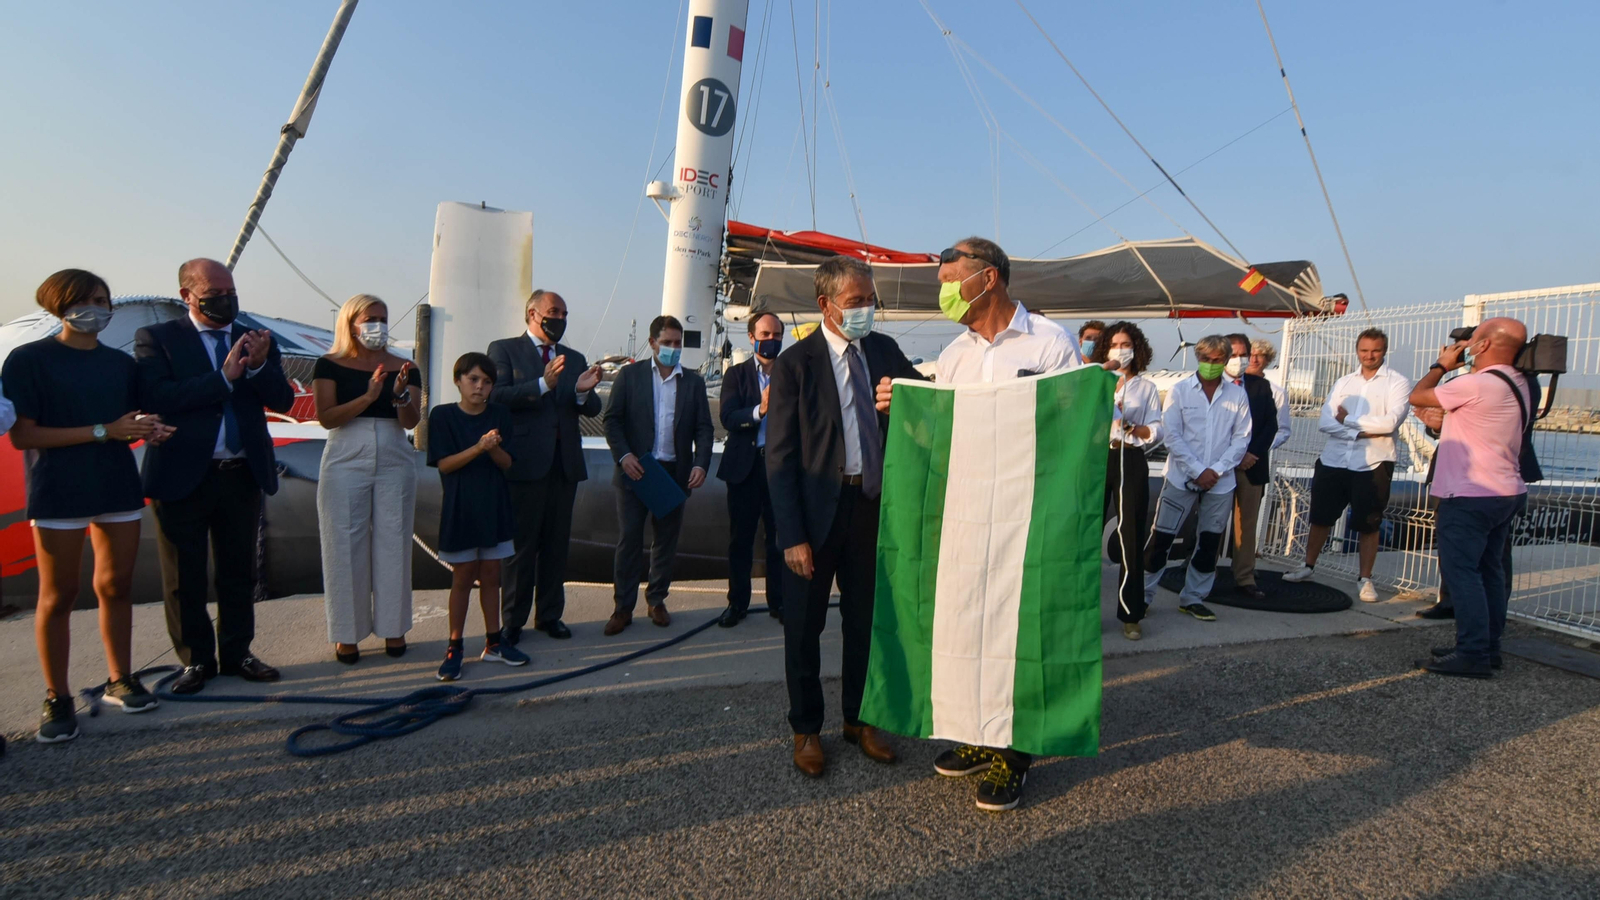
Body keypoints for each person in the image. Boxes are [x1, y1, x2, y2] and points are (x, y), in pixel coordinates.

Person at [895, 236, 1083, 811]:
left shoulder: (1050, 342)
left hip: (1028, 515)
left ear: (989, 278)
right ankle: (981, 733)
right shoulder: (954, 355)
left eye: (952, 281)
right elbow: (941, 437)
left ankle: (1016, 752)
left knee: (1020, 632)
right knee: (972, 628)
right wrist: (903, 408)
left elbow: (1072, 428)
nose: (946, 293)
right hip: (969, 516)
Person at [767, 255, 924, 779]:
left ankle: (859, 719)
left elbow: (928, 406)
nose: (866, 311)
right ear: (825, 305)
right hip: (815, 517)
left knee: (866, 622)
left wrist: (902, 401)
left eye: (869, 300)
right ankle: (806, 728)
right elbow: (781, 458)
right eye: (856, 302)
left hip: (871, 509)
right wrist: (792, 536)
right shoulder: (795, 364)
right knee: (804, 628)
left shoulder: (884, 351)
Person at [6, 270, 175, 743]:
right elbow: (23, 435)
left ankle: (120, 677)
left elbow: (128, 421)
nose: (98, 309)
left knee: (115, 585)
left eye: (103, 300)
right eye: (86, 301)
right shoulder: (29, 359)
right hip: (59, 488)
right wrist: (105, 431)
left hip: (115, 485)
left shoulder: (120, 365)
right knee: (57, 595)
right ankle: (57, 696)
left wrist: (147, 428)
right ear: (59, 305)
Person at [137, 258, 295, 695]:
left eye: (230, 291)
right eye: (214, 294)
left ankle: (238, 653)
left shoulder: (255, 339)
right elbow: (157, 395)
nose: (226, 300)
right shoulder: (158, 339)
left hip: (239, 473)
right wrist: (223, 379)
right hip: (182, 474)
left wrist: (261, 367)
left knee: (238, 571)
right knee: (183, 576)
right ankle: (196, 661)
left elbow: (283, 399)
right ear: (187, 295)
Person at [1408, 318, 1531, 677]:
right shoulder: (1519, 383)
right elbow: (1479, 424)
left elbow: (1418, 395)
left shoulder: (1477, 384)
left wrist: (1442, 365)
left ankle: (1472, 652)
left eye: (1472, 341)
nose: (1466, 346)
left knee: (1462, 573)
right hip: (1505, 491)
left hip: (1469, 493)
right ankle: (1487, 646)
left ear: (1484, 345)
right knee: (1490, 570)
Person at [487, 290, 603, 644]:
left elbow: (591, 407)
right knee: (521, 547)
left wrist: (582, 392)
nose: (560, 319)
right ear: (533, 314)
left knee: (556, 544)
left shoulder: (574, 356)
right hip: (523, 464)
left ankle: (550, 615)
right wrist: (542, 384)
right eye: (554, 311)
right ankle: (513, 621)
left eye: (565, 313)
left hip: (563, 464)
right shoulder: (504, 350)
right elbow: (496, 396)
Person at [312, 294, 421, 664]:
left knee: (395, 540)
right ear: (351, 322)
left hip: (394, 451)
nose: (379, 325)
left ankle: (394, 627)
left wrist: (399, 394)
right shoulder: (329, 364)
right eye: (370, 318)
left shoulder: (405, 366)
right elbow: (326, 417)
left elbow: (411, 421)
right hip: (346, 451)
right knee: (343, 542)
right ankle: (347, 633)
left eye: (383, 317)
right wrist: (369, 395)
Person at [1281, 328, 1412, 602]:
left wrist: (1349, 420)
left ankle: (1365, 579)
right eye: (1364, 350)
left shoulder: (1397, 383)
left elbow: (1390, 423)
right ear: (1357, 350)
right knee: (1320, 516)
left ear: (1384, 350)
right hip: (1334, 459)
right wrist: (1361, 431)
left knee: (1368, 522)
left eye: (1375, 350)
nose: (1369, 356)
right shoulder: (1343, 382)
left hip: (1373, 463)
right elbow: (1325, 422)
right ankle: (1308, 566)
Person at [602, 315, 714, 636]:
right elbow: (612, 421)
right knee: (629, 541)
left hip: (674, 473)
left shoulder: (693, 382)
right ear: (652, 343)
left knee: (665, 542)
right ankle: (623, 607)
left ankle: (657, 600)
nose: (674, 349)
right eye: (667, 343)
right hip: (636, 471)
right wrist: (623, 456)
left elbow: (704, 428)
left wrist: (700, 463)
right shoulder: (630, 376)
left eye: (678, 343)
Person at [427, 352, 531, 681]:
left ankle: (494, 643)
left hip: (495, 506)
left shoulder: (499, 413)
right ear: (458, 380)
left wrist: (493, 447)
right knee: (462, 577)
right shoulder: (442, 416)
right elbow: (444, 464)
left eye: (486, 382)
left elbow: (507, 463)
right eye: (473, 379)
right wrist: (478, 447)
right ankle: (454, 646)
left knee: (491, 575)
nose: (479, 387)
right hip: (460, 507)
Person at [1143, 334, 1252, 622]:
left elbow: (1241, 439)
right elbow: (1172, 436)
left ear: (1226, 360)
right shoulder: (1180, 391)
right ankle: (1141, 596)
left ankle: (1193, 598)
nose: (1211, 365)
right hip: (1180, 479)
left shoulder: (1238, 395)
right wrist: (1197, 470)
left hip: (1221, 482)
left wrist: (1215, 470)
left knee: (1208, 543)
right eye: (1206, 359)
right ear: (1198, 359)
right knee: (1161, 540)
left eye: (1217, 360)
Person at [1089, 322, 1162, 642]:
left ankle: (1131, 613)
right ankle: (1084, 611)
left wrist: (1134, 428)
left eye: (1126, 344)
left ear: (1137, 348)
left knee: (1130, 537)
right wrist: (1103, 379)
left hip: (1129, 459)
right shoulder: (1094, 381)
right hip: (1096, 460)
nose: (1121, 349)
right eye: (1115, 344)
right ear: (1106, 349)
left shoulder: (1146, 388)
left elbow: (1157, 429)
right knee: (1087, 534)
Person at [715, 311, 787, 627]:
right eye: (765, 334)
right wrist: (760, 409)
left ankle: (780, 602)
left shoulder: (792, 373)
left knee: (779, 539)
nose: (771, 341)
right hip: (744, 467)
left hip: (779, 468)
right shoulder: (736, 375)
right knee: (740, 540)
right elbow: (729, 417)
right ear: (751, 336)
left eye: (776, 335)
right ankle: (737, 603)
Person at [1225, 333, 1289, 601]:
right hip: (1219, 466)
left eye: (1245, 354)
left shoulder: (1263, 388)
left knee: (1247, 524)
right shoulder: (1211, 385)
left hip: (1252, 465)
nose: (1242, 360)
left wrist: (1251, 454)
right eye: (1235, 354)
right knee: (1209, 519)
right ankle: (1198, 567)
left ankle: (1244, 577)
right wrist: (1231, 456)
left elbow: (1272, 427)